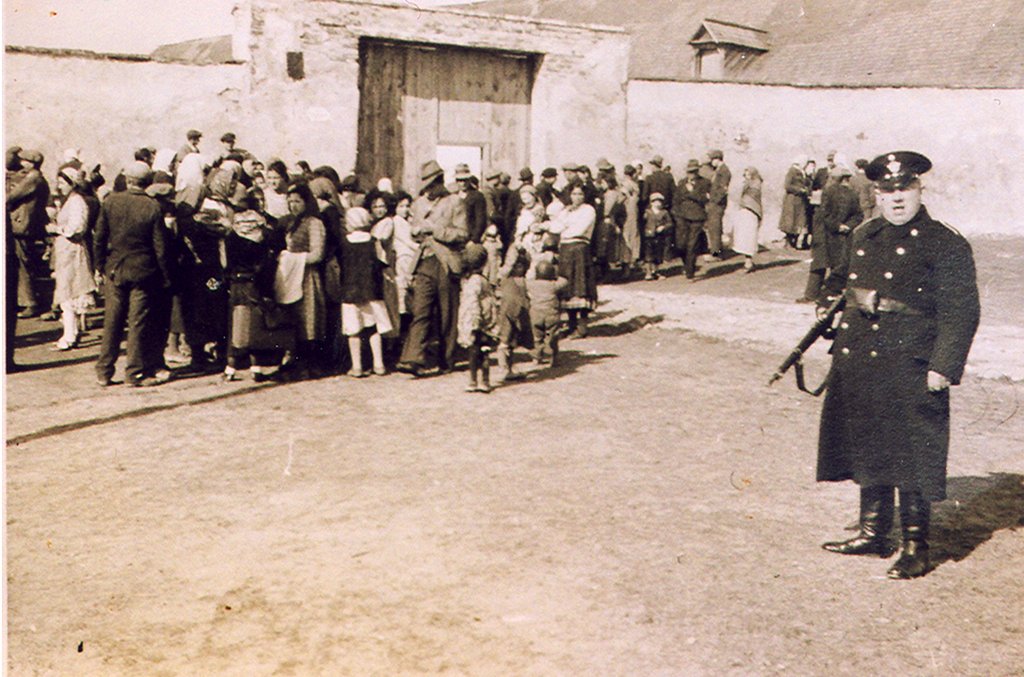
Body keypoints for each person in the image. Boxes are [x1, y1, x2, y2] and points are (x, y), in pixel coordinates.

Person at [816, 151, 980, 580]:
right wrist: (825, 303)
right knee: (867, 439)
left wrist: (944, 365)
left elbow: (962, 311)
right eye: (887, 190)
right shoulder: (864, 234)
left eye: (904, 188)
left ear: (920, 189)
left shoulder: (944, 242)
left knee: (911, 452)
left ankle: (915, 545)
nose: (896, 198)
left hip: (912, 362)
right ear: (876, 194)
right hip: (861, 359)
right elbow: (842, 280)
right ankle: (873, 532)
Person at [93, 161, 171, 387]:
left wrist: (101, 266)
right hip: (143, 271)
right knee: (137, 323)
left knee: (112, 321)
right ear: (147, 183)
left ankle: (104, 371)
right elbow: (160, 248)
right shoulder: (152, 207)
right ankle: (134, 372)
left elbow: (99, 237)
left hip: (115, 268)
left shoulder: (110, 202)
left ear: (127, 180)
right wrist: (165, 275)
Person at [397, 160, 469, 377]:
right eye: (425, 186)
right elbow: (414, 229)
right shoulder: (418, 204)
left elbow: (463, 234)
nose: (427, 191)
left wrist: (435, 230)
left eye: (430, 186)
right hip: (425, 261)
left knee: (447, 314)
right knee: (421, 309)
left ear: (439, 182)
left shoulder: (455, 202)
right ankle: (413, 359)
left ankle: (446, 359)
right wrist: (416, 232)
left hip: (447, 262)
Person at [222, 188, 289, 382]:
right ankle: (256, 367)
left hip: (236, 283)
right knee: (255, 325)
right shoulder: (264, 232)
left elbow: (227, 264)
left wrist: (217, 283)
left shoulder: (232, 234)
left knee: (236, 324)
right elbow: (270, 260)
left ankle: (230, 368)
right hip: (255, 283)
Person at [47, 167, 98, 350]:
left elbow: (77, 229)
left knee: (69, 292)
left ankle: (69, 336)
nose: (59, 187)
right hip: (66, 251)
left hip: (72, 251)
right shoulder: (70, 201)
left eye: (62, 183)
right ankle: (71, 333)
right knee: (67, 293)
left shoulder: (77, 202)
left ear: (71, 184)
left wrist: (55, 229)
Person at [338, 207, 392, 377]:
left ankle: (357, 366)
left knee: (353, 330)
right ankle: (379, 364)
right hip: (372, 289)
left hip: (351, 291)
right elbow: (382, 261)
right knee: (373, 328)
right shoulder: (374, 241)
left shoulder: (343, 243)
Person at [547, 184, 596, 337]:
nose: (577, 197)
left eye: (580, 194)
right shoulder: (566, 211)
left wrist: (565, 225)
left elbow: (579, 229)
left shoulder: (588, 210)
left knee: (580, 286)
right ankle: (571, 324)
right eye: (574, 194)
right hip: (566, 249)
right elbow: (555, 228)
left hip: (579, 248)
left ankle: (582, 327)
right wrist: (564, 222)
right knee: (567, 286)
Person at [7, 149, 51, 318]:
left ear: (30, 163)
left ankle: (29, 302)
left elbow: (11, 197)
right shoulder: (39, 179)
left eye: (23, 160)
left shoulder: (32, 179)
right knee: (25, 263)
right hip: (28, 225)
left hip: (22, 226)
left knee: (22, 264)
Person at [456, 242, 497, 393]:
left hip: (473, 319)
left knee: (473, 351)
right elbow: (477, 302)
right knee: (484, 352)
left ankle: (473, 380)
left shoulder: (468, 280)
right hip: (482, 320)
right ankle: (484, 381)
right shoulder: (480, 280)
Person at [672, 159, 711, 281]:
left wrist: (691, 192)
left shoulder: (705, 183)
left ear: (697, 171)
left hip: (697, 218)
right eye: (689, 172)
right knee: (680, 244)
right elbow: (676, 200)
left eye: (693, 172)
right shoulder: (681, 183)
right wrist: (676, 215)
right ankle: (687, 264)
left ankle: (690, 272)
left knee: (692, 245)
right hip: (682, 217)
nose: (691, 174)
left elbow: (705, 199)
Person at [526, 259, 569, 367]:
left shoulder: (531, 284)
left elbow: (526, 280)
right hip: (551, 314)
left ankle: (537, 358)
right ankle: (554, 358)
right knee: (553, 337)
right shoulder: (553, 285)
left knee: (536, 337)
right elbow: (565, 281)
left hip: (535, 314)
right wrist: (556, 275)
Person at [733, 167, 764, 273]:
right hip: (745, 213)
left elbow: (750, 199)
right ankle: (748, 261)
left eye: (748, 175)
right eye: (745, 175)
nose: (746, 177)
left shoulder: (755, 184)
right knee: (744, 238)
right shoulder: (748, 184)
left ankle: (748, 263)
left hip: (751, 213)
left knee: (749, 238)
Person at [778, 156, 811, 248]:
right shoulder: (792, 171)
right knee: (791, 221)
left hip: (800, 201)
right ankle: (788, 242)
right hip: (792, 200)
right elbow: (787, 185)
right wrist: (799, 190)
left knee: (799, 221)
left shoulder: (802, 172)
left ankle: (794, 241)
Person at [705, 149, 731, 259]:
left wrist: (713, 199)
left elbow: (723, 189)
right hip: (715, 203)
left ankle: (716, 254)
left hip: (717, 204)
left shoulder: (724, 171)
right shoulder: (720, 170)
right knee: (714, 228)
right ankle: (717, 251)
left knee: (714, 228)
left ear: (717, 159)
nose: (711, 162)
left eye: (712, 159)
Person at [641, 193, 673, 280]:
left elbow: (670, 223)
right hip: (649, 235)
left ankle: (656, 271)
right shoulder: (647, 212)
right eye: (656, 202)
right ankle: (648, 272)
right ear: (651, 203)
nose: (658, 204)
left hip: (659, 236)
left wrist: (663, 227)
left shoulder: (664, 212)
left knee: (658, 254)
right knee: (648, 254)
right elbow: (642, 222)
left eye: (660, 202)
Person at [620, 164, 642, 272]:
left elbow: (620, 198)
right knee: (633, 235)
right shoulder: (632, 184)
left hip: (629, 211)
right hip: (632, 211)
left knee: (628, 235)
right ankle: (632, 261)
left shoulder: (625, 184)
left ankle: (628, 263)